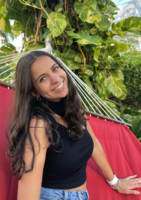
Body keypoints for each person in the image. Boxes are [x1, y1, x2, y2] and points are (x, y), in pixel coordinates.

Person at [8, 51, 141, 200]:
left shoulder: (74, 108)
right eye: (43, 78)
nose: (56, 79)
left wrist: (115, 182)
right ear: (34, 90)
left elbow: (94, 145)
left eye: (55, 68)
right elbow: (28, 189)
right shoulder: (38, 126)